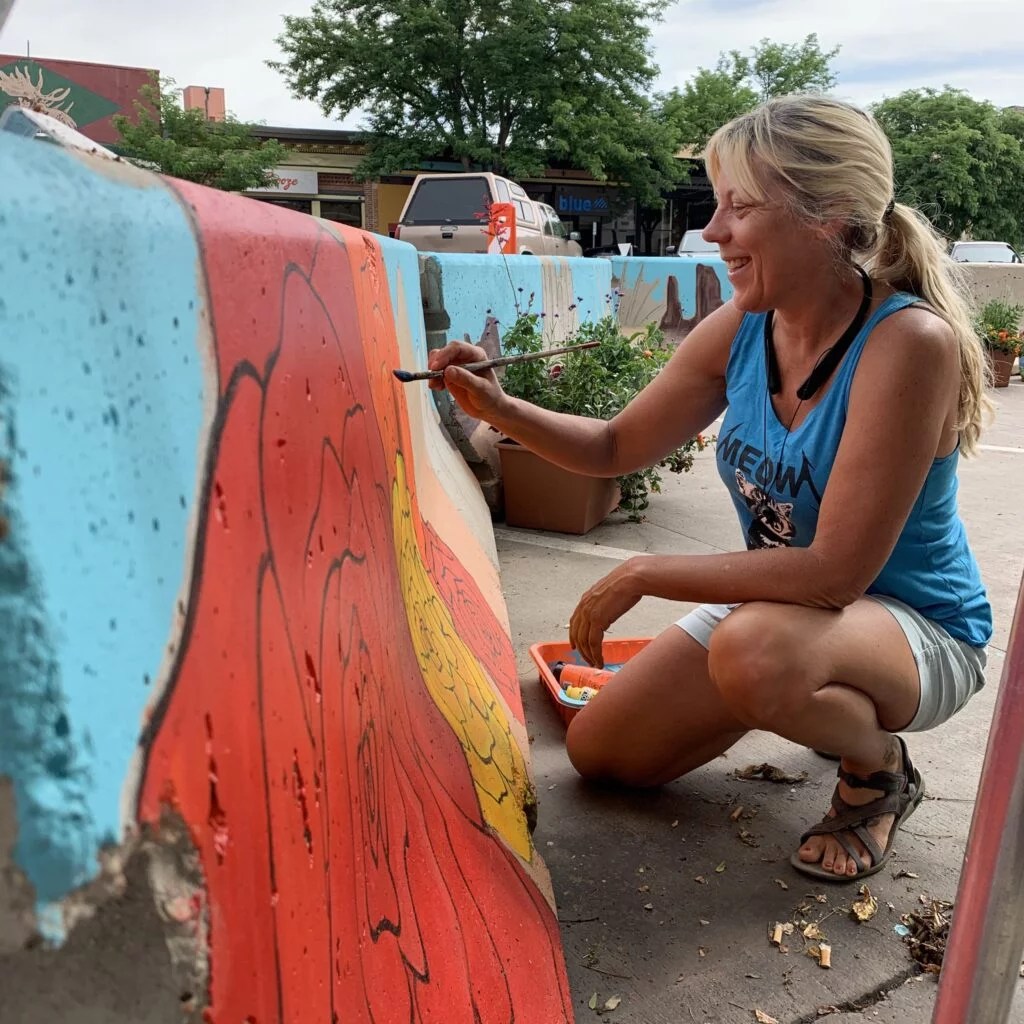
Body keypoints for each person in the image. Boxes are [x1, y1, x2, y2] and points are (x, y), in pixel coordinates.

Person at [427, 95, 993, 882]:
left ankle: (877, 771)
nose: (713, 231)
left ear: (827, 216)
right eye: (717, 205)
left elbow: (835, 574)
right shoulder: (746, 325)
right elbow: (618, 445)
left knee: (753, 651)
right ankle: (798, 692)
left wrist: (645, 571)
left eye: (740, 207)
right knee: (602, 754)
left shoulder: (908, 344)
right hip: (786, 613)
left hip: (915, 629)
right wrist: (497, 405)